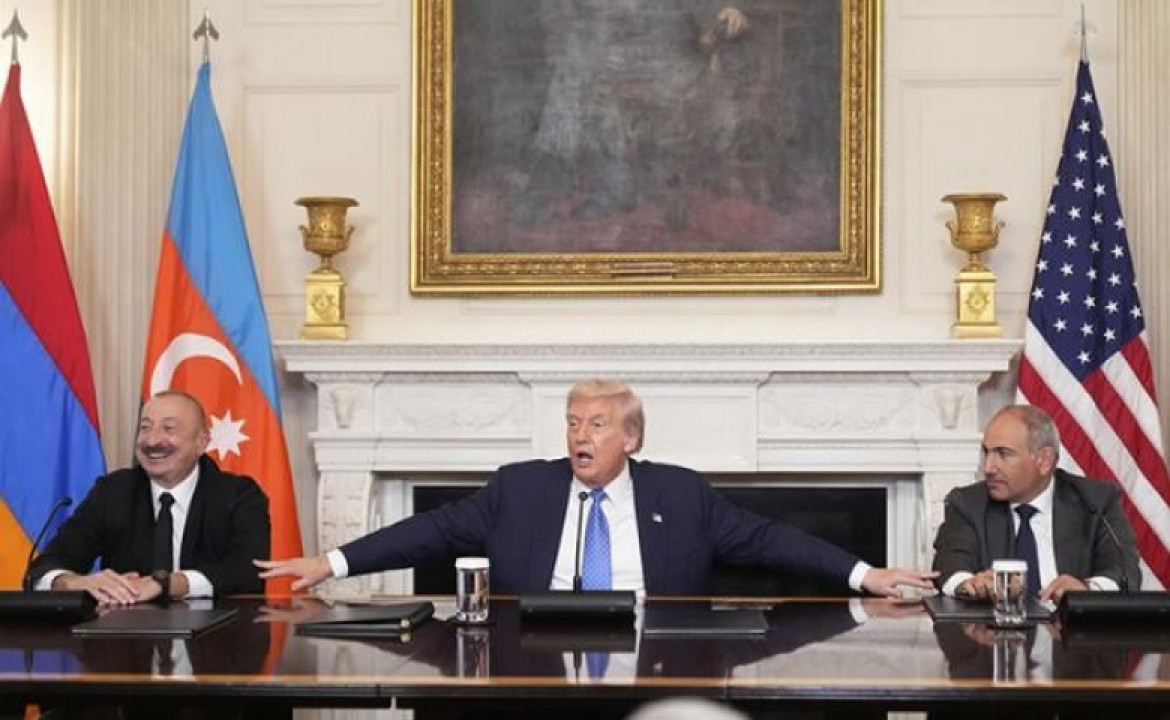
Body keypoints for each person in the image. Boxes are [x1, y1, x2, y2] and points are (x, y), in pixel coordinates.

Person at [258, 379, 934, 597]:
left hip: (654, 654)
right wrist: (330, 562)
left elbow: (770, 539)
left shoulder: (681, 494)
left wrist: (865, 574)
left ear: (631, 438)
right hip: (535, 656)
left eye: (598, 425)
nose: (580, 436)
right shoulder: (521, 489)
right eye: (573, 422)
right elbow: (428, 531)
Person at [28, 390, 271, 605]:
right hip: (125, 636)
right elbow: (44, 568)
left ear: (201, 443)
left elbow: (248, 573)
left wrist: (166, 584)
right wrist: (72, 582)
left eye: (169, 428)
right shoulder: (113, 491)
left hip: (215, 635)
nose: (152, 441)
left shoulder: (238, 495)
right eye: (145, 428)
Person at [932, 404, 1141, 604]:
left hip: (1072, 626)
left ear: (1044, 460)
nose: (988, 468)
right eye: (986, 452)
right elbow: (949, 564)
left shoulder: (1095, 501)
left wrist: (1086, 590)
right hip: (996, 626)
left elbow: (1124, 571)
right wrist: (968, 584)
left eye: (1003, 454)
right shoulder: (968, 503)